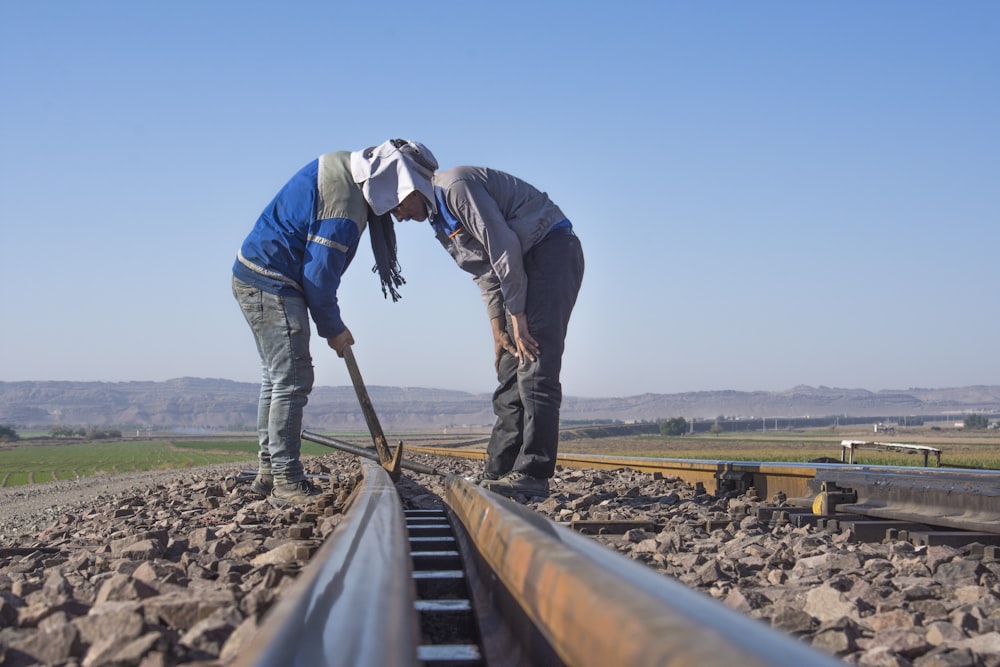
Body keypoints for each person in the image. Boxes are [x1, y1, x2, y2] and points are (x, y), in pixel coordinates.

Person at [233, 139, 438, 507]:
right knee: (292, 378)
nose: (406, 216)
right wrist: (335, 330)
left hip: (257, 274)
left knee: (276, 378)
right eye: (414, 205)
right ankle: (285, 480)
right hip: (271, 278)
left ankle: (269, 473)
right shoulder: (344, 208)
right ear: (399, 186)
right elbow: (318, 280)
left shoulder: (348, 168)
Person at [392, 166, 584, 497]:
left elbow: (504, 247)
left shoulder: (455, 188)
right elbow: (486, 271)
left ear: (409, 188)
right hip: (520, 271)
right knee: (511, 368)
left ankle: (534, 474)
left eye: (397, 205)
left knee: (534, 363)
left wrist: (519, 317)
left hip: (549, 250)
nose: (398, 216)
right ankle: (500, 470)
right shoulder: (440, 218)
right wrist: (499, 331)